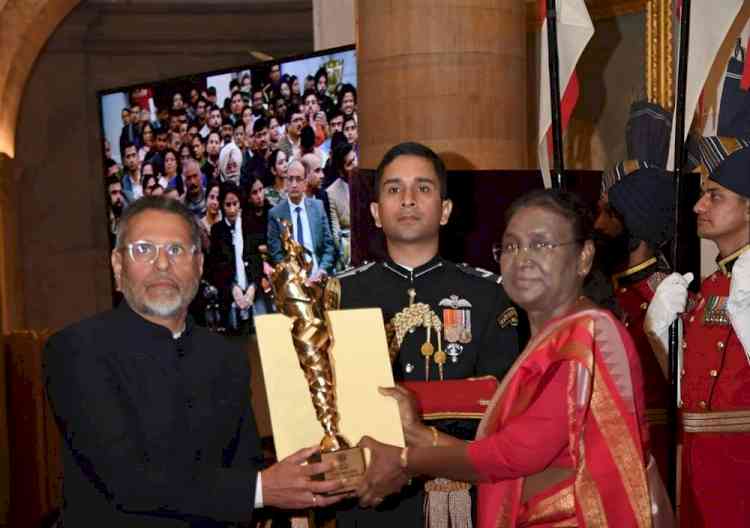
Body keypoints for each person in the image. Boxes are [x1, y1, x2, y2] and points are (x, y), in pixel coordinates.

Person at [357, 189, 665, 528]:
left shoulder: (590, 335)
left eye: (541, 245)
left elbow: (514, 454)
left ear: (584, 257)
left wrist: (405, 460)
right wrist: (417, 434)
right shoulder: (551, 336)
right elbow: (506, 452)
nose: (523, 259)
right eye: (511, 246)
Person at [44, 197, 349, 526]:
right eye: (144, 249)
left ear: (200, 266)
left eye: (176, 250)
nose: (162, 264)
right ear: (118, 265)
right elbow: (128, 481)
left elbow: (244, 467)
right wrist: (263, 489)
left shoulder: (225, 358)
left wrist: (311, 480)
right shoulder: (77, 349)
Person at [334, 142, 520, 527]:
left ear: (446, 210)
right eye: (393, 189)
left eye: (423, 188)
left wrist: (410, 413)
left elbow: (497, 400)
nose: (407, 200)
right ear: (375, 213)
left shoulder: (489, 294)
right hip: (368, 495)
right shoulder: (339, 295)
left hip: (459, 491)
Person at [645, 136, 750, 527]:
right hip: (699, 465)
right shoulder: (711, 286)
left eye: (715, 196)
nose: (698, 206)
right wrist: (659, 332)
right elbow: (688, 390)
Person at [593, 166, 675, 483]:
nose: (597, 225)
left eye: (609, 214)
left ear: (637, 226)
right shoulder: (595, 290)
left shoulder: (663, 296)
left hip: (649, 453)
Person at [267, 159, 335, 281]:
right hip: (292, 282)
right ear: (285, 182)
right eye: (290, 179)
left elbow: (329, 246)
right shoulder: (275, 214)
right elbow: (276, 254)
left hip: (319, 275)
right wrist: (293, 277)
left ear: (305, 183)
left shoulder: (318, 207)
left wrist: (322, 269)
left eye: (298, 179)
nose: (294, 184)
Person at [326, 142, 355, 270]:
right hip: (348, 250)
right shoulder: (332, 193)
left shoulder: (369, 182)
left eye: (354, 159)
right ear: (341, 171)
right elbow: (336, 234)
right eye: (349, 164)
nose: (355, 165)